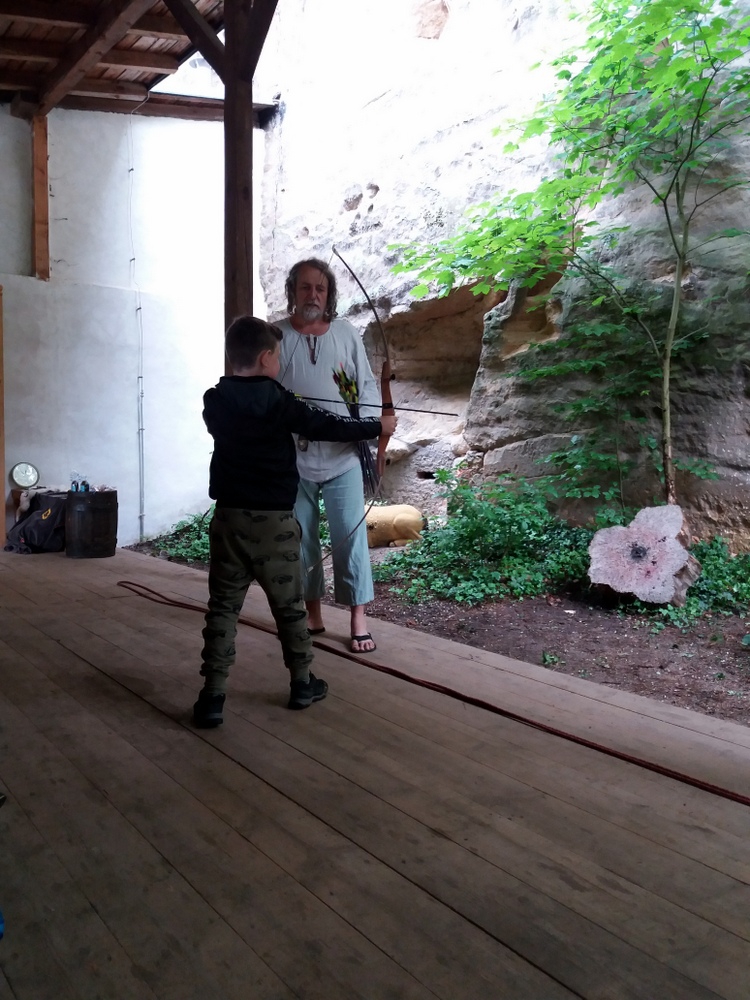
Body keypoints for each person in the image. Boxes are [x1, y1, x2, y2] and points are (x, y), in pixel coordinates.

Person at [193, 315, 397, 728]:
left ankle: (212, 696)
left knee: (222, 610)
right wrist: (378, 425)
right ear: (266, 358)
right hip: (274, 525)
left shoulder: (214, 400)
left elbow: (240, 412)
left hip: (229, 521)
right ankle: (302, 683)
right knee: (289, 609)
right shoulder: (280, 402)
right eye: (277, 356)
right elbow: (326, 425)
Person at [277, 258, 383, 654]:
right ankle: (313, 613)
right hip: (294, 457)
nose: (313, 295)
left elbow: (366, 386)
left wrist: (371, 425)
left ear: (329, 295)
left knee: (350, 535)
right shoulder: (277, 336)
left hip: (343, 456)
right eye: (305, 287)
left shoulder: (345, 333)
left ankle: (358, 617)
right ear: (293, 291)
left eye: (320, 288)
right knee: (300, 537)